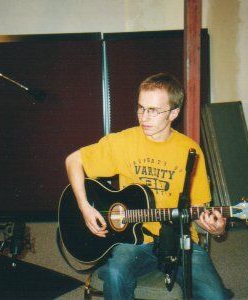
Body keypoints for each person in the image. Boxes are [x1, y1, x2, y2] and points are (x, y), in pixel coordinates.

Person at [65, 73, 230, 299]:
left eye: (153, 110)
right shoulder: (122, 142)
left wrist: (217, 229)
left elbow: (202, 209)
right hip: (133, 241)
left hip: (179, 240)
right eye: (141, 108)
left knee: (215, 296)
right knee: (114, 275)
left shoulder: (190, 151)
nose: (144, 117)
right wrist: (85, 207)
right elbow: (73, 160)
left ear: (173, 113)